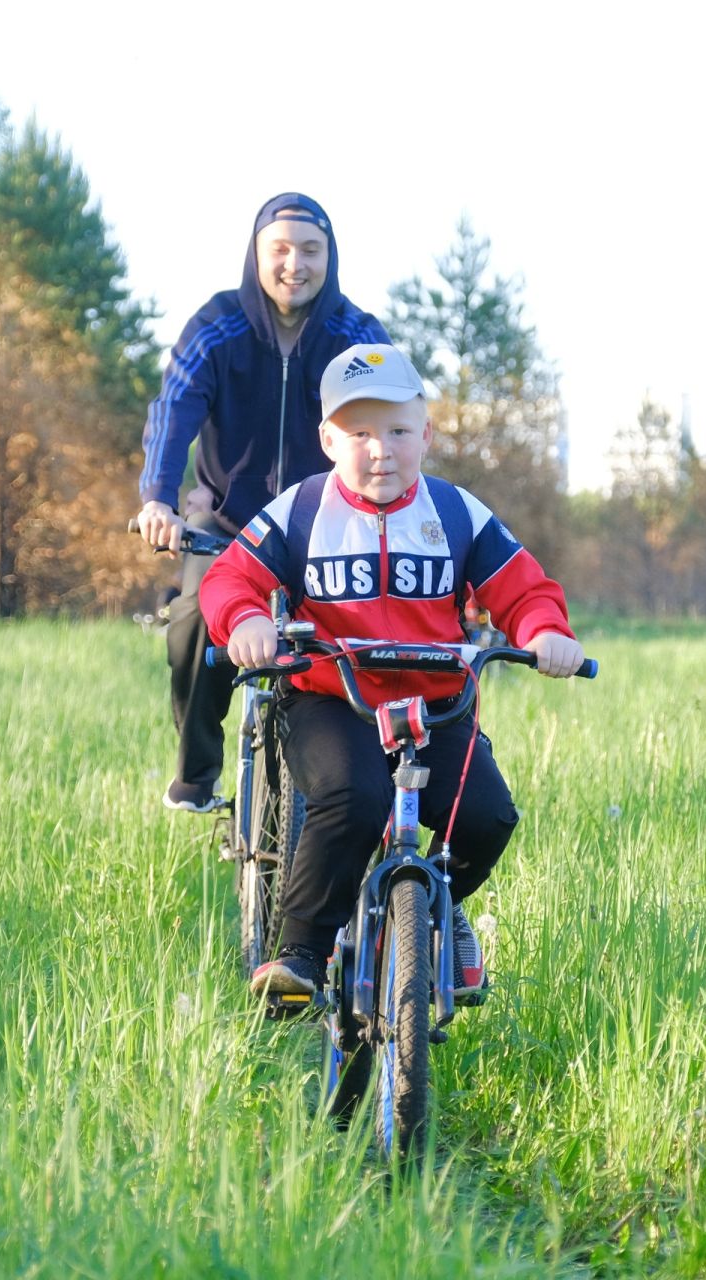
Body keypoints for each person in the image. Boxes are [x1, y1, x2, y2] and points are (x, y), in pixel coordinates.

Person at [200, 343, 585, 1000]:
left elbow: (521, 587)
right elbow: (229, 576)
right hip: (330, 696)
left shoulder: (456, 513)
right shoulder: (301, 511)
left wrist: (544, 632)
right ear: (328, 439)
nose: (382, 449)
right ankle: (300, 954)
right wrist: (246, 623)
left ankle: (435, 904)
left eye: (400, 431)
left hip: (435, 706)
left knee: (486, 817)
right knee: (354, 801)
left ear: (427, 435)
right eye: (360, 433)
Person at [135, 193, 390, 814]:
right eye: (280, 249)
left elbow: (392, 421)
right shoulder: (217, 326)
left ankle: (371, 789)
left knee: (373, 637)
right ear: (256, 255)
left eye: (310, 250)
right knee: (196, 621)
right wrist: (158, 500)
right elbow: (175, 410)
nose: (294, 264)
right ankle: (197, 772)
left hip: (327, 529)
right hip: (225, 523)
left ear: (330, 257)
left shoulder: (357, 336)